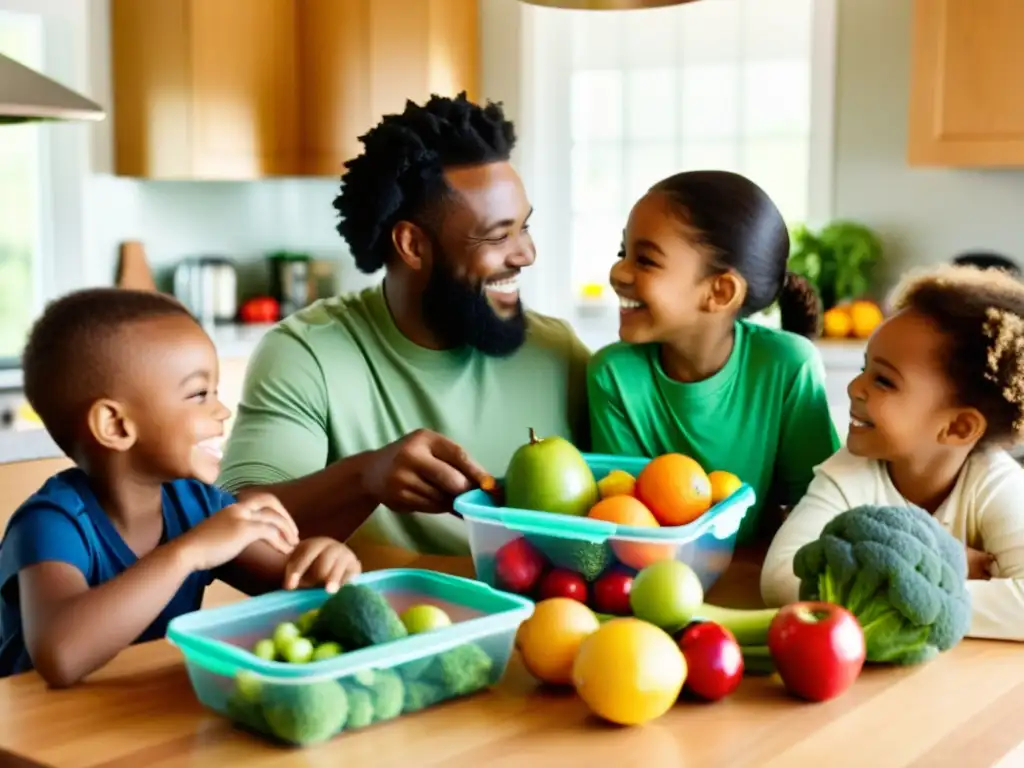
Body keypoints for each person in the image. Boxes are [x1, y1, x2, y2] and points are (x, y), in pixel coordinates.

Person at [218, 93, 591, 556]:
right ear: (413, 245)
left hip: (549, 620)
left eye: (525, 228)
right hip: (380, 621)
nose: (526, 254)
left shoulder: (557, 353)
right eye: (498, 235)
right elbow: (237, 525)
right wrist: (365, 477)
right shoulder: (307, 353)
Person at [0, 289, 360, 686]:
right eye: (199, 394)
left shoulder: (196, 505)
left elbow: (290, 585)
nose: (221, 411)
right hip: (39, 734)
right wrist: (190, 553)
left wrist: (321, 561)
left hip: (134, 723)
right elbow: (60, 654)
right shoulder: (51, 524)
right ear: (116, 426)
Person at [760, 265, 1024, 641]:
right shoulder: (851, 470)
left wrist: (868, 583)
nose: (854, 387)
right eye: (864, 368)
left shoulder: (996, 482)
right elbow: (782, 579)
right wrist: (935, 569)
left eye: (883, 380)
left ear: (958, 427)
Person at [587, 170, 840, 546]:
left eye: (646, 260)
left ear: (720, 291)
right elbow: (626, 516)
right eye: (624, 252)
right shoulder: (613, 376)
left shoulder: (788, 367)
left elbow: (820, 509)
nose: (618, 272)